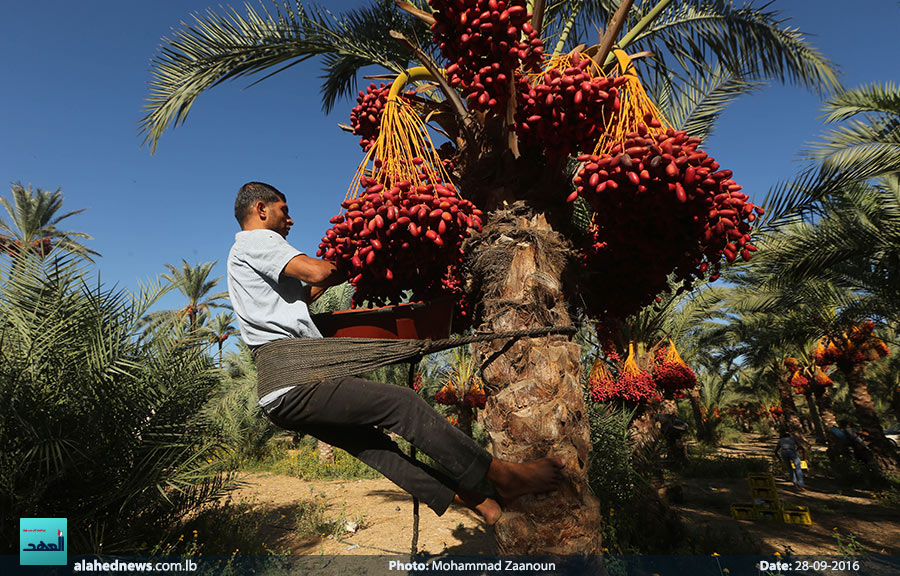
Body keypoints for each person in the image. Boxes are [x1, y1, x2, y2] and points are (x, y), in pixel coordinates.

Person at [226, 182, 565, 525]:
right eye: (284, 210)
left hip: (277, 395)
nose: (290, 220)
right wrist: (365, 252)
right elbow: (319, 272)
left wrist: (363, 256)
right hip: (296, 381)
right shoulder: (257, 240)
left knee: (377, 450)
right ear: (261, 210)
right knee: (401, 404)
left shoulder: (242, 261)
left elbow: (308, 293)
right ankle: (501, 476)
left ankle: (483, 504)